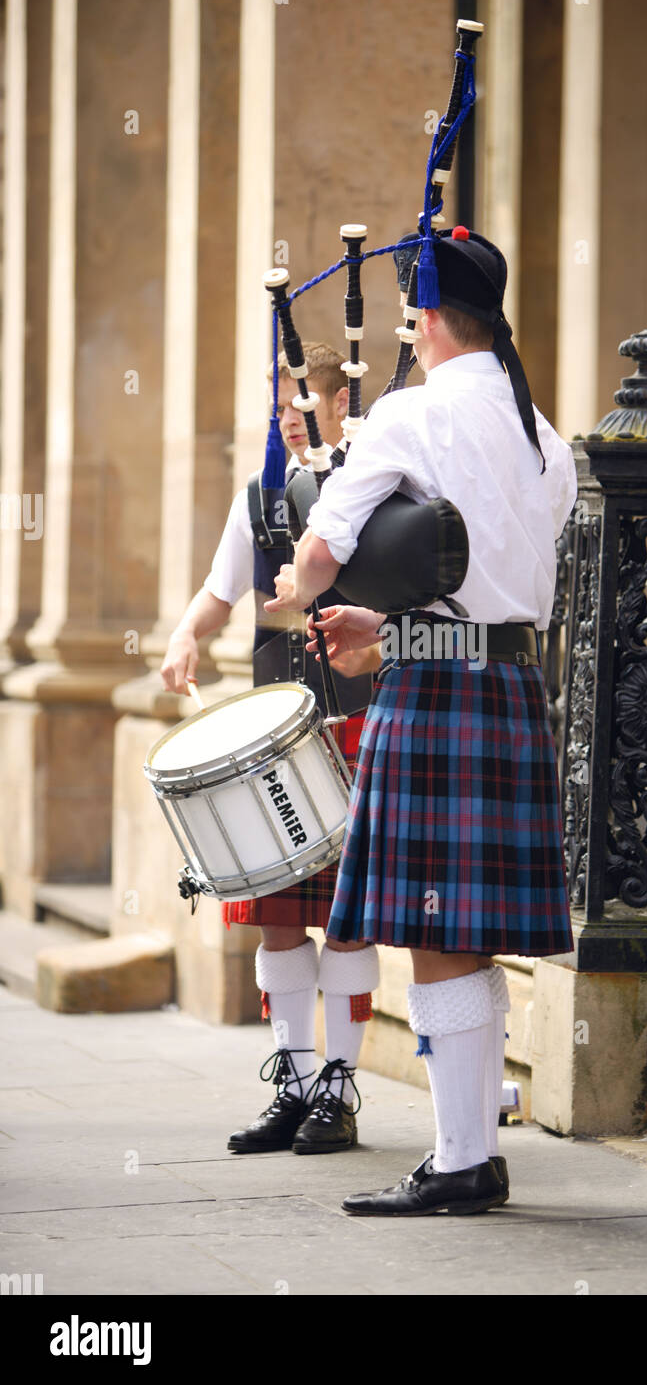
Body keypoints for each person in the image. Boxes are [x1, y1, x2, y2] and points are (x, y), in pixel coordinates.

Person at [263, 229, 577, 1214]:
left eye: (410, 317)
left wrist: (289, 591)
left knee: (439, 939)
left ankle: (460, 1164)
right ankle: (469, 1152)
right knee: (469, 938)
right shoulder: (547, 437)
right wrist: (392, 629)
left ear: (429, 320)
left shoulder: (409, 414)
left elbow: (325, 548)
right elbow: (483, 590)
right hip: (509, 690)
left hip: (440, 705)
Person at [160, 342, 380, 1157]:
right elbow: (222, 591)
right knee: (279, 921)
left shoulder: (369, 486)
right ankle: (291, 1086)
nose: (284, 413)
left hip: (350, 724)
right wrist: (186, 634)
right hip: (269, 737)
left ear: (337, 401)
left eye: (300, 398)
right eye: (277, 400)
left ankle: (339, 1092)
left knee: (348, 921)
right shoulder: (257, 494)